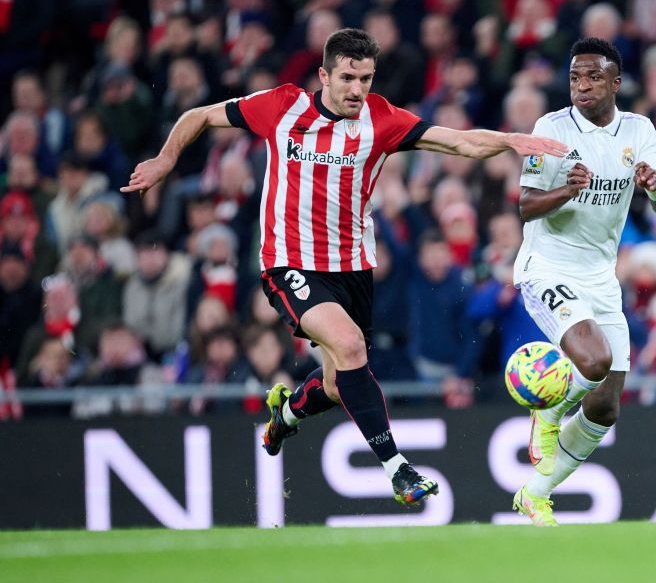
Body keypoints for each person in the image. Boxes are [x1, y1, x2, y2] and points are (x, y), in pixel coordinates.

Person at [120, 28, 566, 507]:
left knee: (337, 384)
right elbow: (201, 115)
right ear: (324, 75)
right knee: (352, 347)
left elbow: (459, 143)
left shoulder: (382, 119)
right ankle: (399, 469)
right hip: (288, 262)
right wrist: (166, 159)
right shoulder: (281, 106)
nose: (357, 89)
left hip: (352, 267)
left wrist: (512, 140)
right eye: (348, 78)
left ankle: (286, 415)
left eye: (366, 78)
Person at [511, 37, 656, 526]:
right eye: (575, 77)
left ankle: (534, 493)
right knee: (595, 359)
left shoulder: (639, 130)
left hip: (601, 278)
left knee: (605, 406)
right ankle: (547, 412)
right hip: (547, 266)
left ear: (615, 83)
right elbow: (525, 205)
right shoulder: (552, 128)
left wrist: (654, 187)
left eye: (593, 77)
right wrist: (567, 188)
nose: (582, 86)